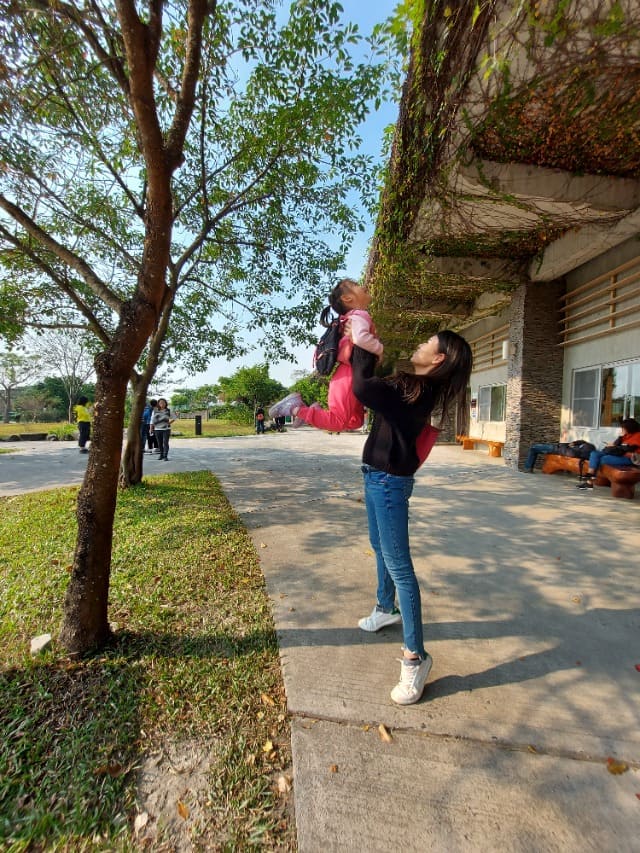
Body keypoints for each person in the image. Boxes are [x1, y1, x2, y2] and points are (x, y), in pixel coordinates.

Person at [350, 331, 473, 705]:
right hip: (376, 477)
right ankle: (385, 608)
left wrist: (362, 346)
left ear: (438, 359)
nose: (418, 345)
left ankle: (415, 657)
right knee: (379, 547)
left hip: (388, 484)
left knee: (400, 567)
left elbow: (361, 388)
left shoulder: (415, 388)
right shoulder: (416, 387)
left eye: (427, 344)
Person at [268, 278, 383, 431]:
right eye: (356, 285)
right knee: (339, 421)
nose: (362, 286)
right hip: (349, 377)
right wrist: (381, 349)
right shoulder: (359, 315)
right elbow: (360, 337)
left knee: (355, 421)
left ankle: (312, 412)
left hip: (345, 375)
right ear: (347, 298)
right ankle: (294, 409)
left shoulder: (348, 319)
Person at [576, 418, 640, 489]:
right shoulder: (625, 435)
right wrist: (620, 438)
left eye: (623, 428)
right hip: (617, 454)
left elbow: (630, 449)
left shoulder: (638, 436)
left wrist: (616, 446)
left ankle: (589, 482)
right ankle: (590, 475)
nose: (622, 429)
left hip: (629, 458)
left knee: (602, 459)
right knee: (594, 454)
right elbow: (616, 444)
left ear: (629, 427)